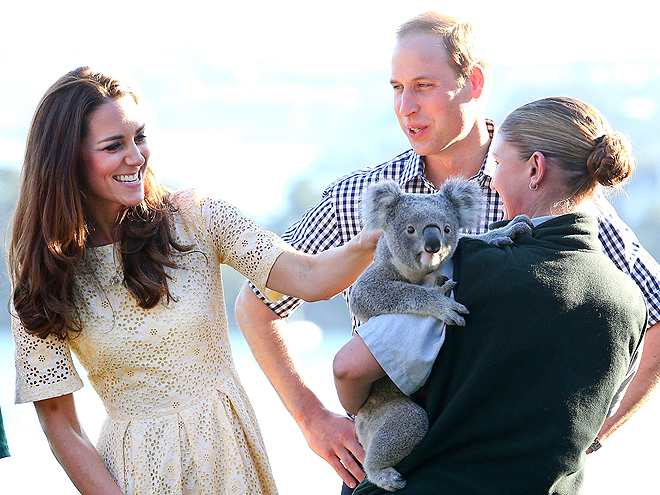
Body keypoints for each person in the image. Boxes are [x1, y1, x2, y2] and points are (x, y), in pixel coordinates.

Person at [234, 11, 660, 492]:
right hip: (393, 469)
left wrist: (595, 434)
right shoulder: (365, 196)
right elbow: (257, 304)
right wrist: (313, 419)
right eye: (396, 87)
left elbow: (656, 310)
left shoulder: (540, 188)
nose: (406, 106)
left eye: (423, 85)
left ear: (474, 82)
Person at [9, 67, 380, 494]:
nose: (136, 157)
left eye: (140, 137)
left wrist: (374, 242)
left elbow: (308, 276)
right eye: (114, 146)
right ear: (68, 158)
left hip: (230, 459)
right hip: (135, 477)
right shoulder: (42, 279)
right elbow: (60, 424)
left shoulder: (197, 218)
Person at [333, 96, 648, 494]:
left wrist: (353, 412)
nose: (492, 180)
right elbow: (597, 426)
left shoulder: (465, 267)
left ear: (536, 169)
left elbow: (349, 368)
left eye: (497, 164)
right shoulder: (631, 303)